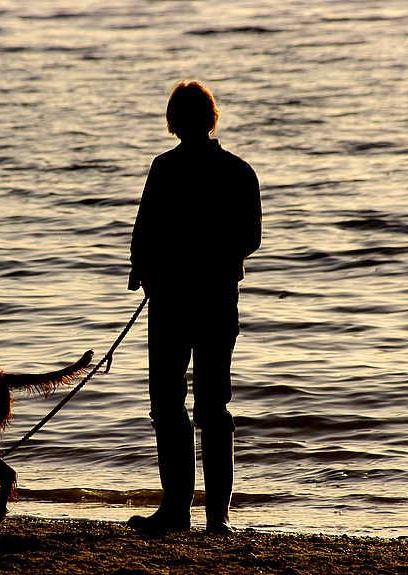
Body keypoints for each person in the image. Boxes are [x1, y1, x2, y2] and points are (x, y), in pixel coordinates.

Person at [127, 80, 262, 535]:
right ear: (212, 119)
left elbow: (143, 234)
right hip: (217, 299)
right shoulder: (239, 171)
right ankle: (215, 515)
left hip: (171, 300)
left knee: (168, 404)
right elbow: (250, 240)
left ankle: (177, 509)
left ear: (174, 123)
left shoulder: (164, 169)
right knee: (212, 405)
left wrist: (145, 268)